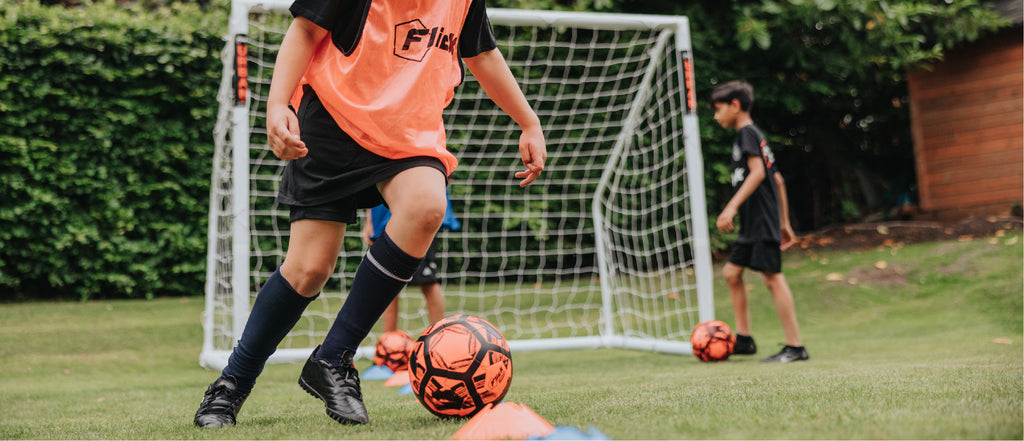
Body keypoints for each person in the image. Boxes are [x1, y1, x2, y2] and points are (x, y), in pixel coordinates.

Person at [194, 0, 546, 428]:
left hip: (408, 135)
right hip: (331, 122)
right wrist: (277, 105)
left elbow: (482, 52)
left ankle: (334, 357)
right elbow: (306, 30)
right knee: (308, 271)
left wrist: (528, 122)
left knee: (426, 205)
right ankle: (231, 385)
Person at [709, 80, 808, 363]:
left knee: (772, 278)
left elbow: (759, 174)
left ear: (735, 106)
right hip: (757, 221)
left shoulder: (747, 134)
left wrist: (730, 208)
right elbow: (777, 178)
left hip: (760, 219)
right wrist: (785, 222)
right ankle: (744, 339)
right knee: (731, 273)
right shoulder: (754, 136)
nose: (717, 117)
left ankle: (795, 346)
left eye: (719, 110)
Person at [362, 191, 461, 333]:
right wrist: (369, 221)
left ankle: (440, 337)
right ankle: (389, 342)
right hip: (383, 218)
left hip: (418, 214)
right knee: (386, 282)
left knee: (427, 280)